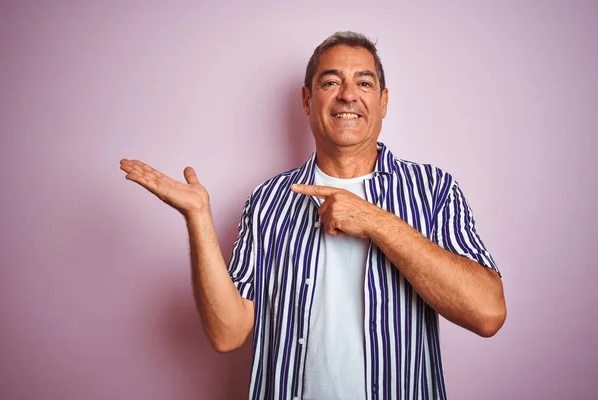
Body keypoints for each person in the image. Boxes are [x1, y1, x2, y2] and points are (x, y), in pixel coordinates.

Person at [120, 31, 506, 400]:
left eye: (365, 83)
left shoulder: (433, 190)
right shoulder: (267, 200)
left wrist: (374, 221)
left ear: (384, 102)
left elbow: (487, 313)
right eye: (330, 82)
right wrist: (198, 218)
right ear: (307, 100)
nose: (348, 95)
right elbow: (227, 333)